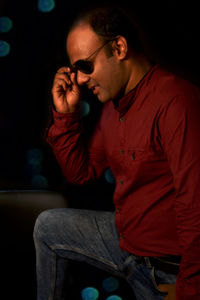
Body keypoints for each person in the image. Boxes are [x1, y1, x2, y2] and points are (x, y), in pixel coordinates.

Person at [33, 4, 200, 300]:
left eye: (85, 66)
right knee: (48, 225)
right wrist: (66, 115)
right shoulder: (113, 108)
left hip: (164, 267)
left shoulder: (176, 101)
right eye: (75, 71)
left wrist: (190, 289)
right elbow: (81, 173)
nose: (81, 80)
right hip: (126, 243)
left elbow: (195, 204)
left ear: (119, 47)